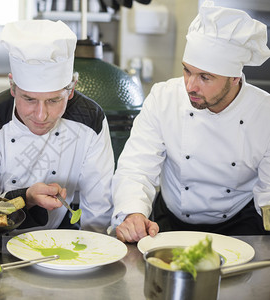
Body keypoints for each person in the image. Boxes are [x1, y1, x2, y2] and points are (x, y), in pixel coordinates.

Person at [111, 1, 270, 243]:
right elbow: (137, 167)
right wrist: (133, 213)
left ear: (235, 78)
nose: (190, 86)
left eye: (205, 77)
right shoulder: (164, 98)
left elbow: (268, 193)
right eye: (187, 71)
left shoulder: (264, 113)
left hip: (240, 224)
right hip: (169, 221)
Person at [0, 20, 114, 233]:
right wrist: (27, 198)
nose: (41, 115)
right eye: (29, 99)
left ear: (70, 91)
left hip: (60, 236)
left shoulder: (90, 119)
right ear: (13, 87)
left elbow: (98, 207)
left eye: (53, 100)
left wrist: (91, 255)